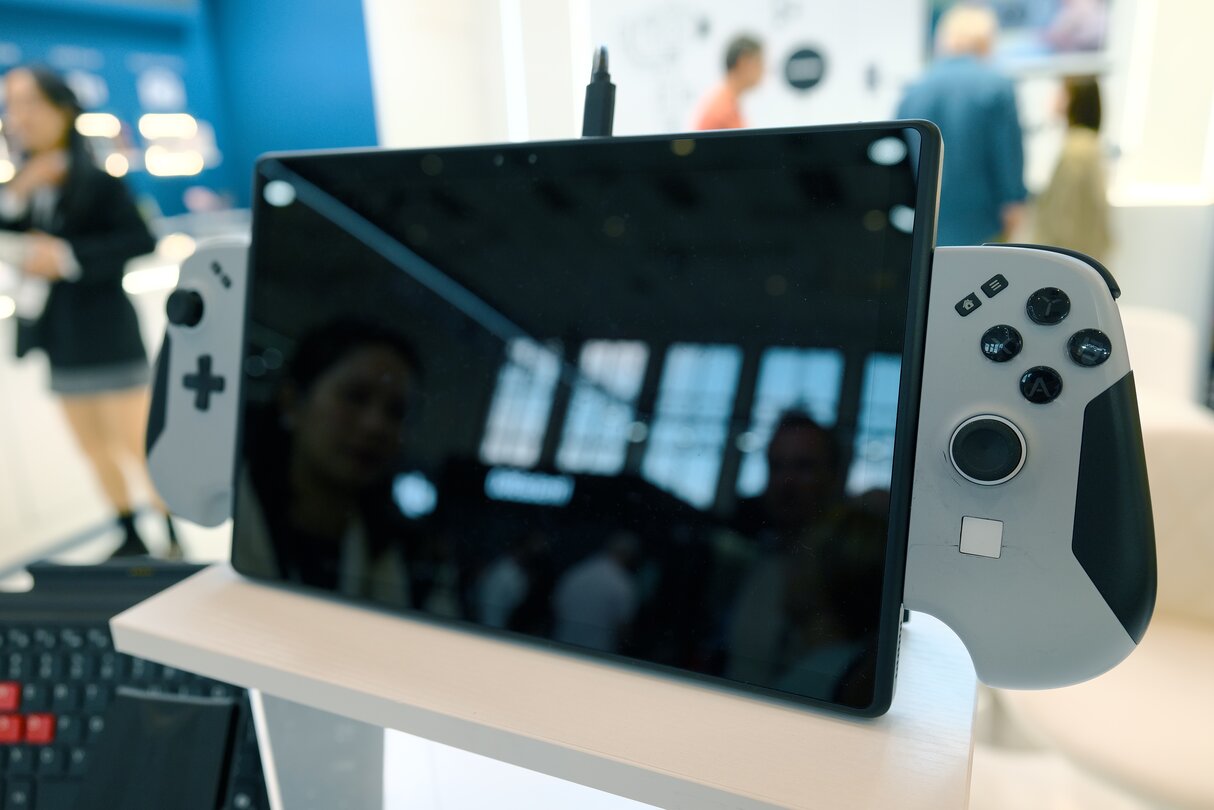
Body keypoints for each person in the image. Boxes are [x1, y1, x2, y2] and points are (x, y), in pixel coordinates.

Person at [0, 65, 172, 557]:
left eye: (29, 103)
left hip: (107, 333)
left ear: (61, 109)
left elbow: (140, 240)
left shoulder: (97, 181)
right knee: (91, 446)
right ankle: (128, 532)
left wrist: (69, 258)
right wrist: (18, 194)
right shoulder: (23, 185)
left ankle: (172, 534)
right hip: (59, 337)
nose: (19, 116)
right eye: (11, 104)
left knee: (137, 442)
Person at [233, 320, 426, 607]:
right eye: (355, 397)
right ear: (291, 402)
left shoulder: (396, 560)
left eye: (396, 412)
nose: (375, 425)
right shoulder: (224, 518)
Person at [896, 5, 1028, 245]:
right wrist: (1014, 202)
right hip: (980, 223)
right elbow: (1007, 155)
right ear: (986, 39)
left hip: (924, 225)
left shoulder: (914, 89)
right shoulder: (997, 86)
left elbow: (899, 158)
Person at [1031, 76, 1111, 263]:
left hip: (1067, 255)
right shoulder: (1089, 144)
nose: (1054, 98)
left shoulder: (1076, 150)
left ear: (1075, 99)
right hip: (1081, 254)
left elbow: (1064, 213)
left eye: (1062, 92)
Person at [552, 532, 641, 654]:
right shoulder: (622, 583)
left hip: (561, 646)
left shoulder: (577, 571)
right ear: (629, 555)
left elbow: (556, 606)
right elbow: (624, 628)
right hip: (597, 653)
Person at [693, 35, 764, 131]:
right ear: (743, 62)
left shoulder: (725, 102)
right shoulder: (723, 109)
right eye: (759, 62)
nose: (763, 70)